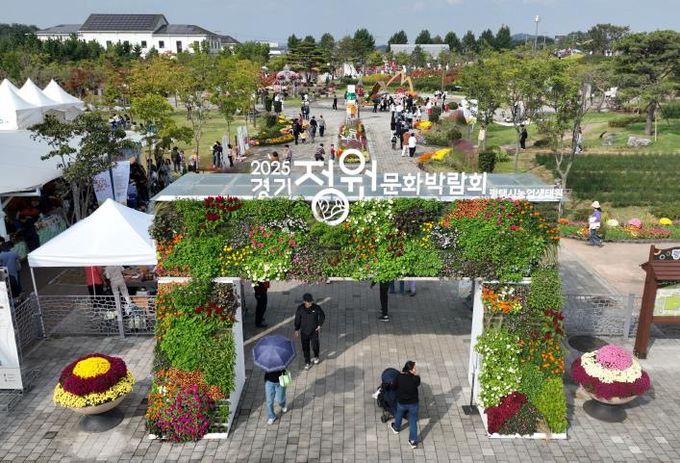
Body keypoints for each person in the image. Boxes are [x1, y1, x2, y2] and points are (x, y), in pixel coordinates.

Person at [391, 361, 421, 449]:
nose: (415, 369)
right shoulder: (416, 379)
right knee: (413, 421)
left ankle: (396, 428)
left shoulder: (399, 377)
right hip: (413, 404)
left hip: (402, 402)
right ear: (410, 370)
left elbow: (393, 386)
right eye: (414, 368)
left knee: (399, 414)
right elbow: (417, 383)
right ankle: (413, 441)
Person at [294, 293, 325, 370]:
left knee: (315, 345)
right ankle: (307, 362)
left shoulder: (316, 307)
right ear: (304, 301)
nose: (310, 303)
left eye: (311, 301)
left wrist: (319, 325)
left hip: (314, 331)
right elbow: (297, 319)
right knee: (305, 348)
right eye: (308, 301)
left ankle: (316, 356)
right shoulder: (300, 309)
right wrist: (296, 329)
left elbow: (322, 315)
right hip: (304, 332)